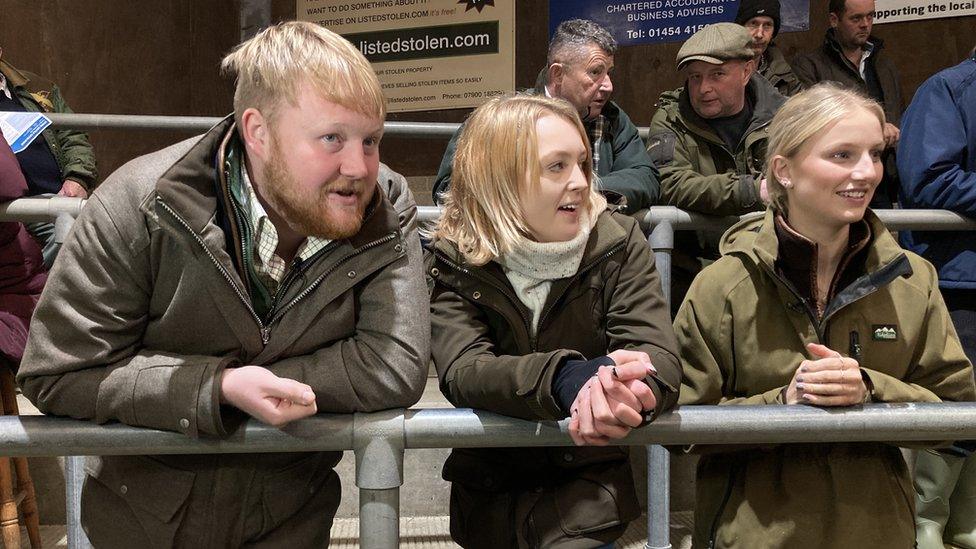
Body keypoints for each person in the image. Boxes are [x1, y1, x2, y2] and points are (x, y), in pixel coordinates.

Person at [17, 22, 429, 547]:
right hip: (142, 524)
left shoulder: (387, 204)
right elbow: (59, 371)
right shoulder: (139, 205)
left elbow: (394, 364)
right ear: (257, 131)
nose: (360, 166)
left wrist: (243, 381)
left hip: (293, 516)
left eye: (371, 140)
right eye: (332, 138)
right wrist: (219, 388)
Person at [674, 83, 976, 548]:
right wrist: (782, 405)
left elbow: (957, 409)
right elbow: (681, 422)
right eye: (841, 155)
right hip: (754, 535)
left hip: (877, 532)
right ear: (784, 170)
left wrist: (872, 391)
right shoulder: (724, 286)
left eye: (874, 154)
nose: (866, 173)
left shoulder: (912, 280)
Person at [427, 94, 681, 548]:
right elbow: (464, 369)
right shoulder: (456, 256)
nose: (581, 183)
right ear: (499, 179)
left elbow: (654, 350)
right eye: (556, 167)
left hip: (587, 500)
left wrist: (636, 386)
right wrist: (565, 377)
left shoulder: (619, 243)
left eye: (583, 163)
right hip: (488, 501)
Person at [432, 19, 658, 213]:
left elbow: (645, 178)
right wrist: (533, 200)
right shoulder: (504, 118)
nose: (608, 85)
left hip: (595, 252)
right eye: (595, 72)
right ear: (558, 74)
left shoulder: (612, 118)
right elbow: (450, 187)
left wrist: (582, 191)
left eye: (609, 73)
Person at [897, 49, 976, 549]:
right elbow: (928, 179)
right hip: (959, 276)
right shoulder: (948, 89)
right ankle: (926, 518)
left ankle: (965, 520)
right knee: (956, 393)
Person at [647, 22, 785, 217]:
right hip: (699, 245)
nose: (704, 88)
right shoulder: (672, 118)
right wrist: (752, 191)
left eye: (717, 74)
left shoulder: (785, 117)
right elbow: (670, 183)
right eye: (695, 77)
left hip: (772, 242)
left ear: (746, 71)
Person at [792, 0, 903, 207]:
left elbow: (899, 114)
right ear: (834, 20)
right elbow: (811, 125)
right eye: (856, 18)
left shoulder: (884, 65)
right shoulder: (810, 66)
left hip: (886, 181)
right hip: (839, 181)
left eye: (870, 16)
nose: (865, 24)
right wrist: (878, 130)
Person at [0, 48, 97, 266]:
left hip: (63, 193)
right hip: (16, 203)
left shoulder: (36, 87)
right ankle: (40, 287)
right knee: (72, 239)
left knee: (116, 230)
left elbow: (74, 135)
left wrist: (77, 178)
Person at [734, 0, 804, 96]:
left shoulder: (785, 75)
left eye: (767, 25)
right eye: (753, 24)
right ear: (740, 28)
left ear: (773, 34)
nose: (759, 34)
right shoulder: (722, 69)